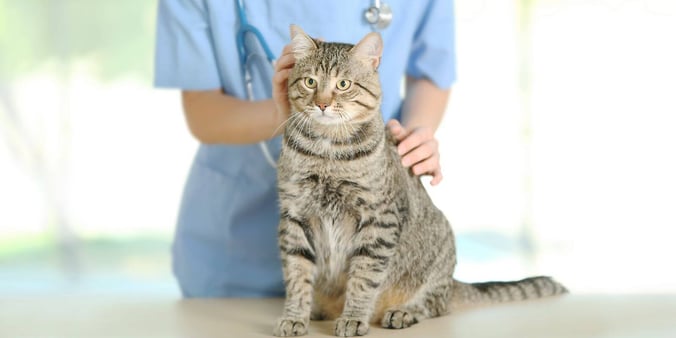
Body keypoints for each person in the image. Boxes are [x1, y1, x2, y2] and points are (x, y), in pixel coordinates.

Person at [154, 0, 456, 297]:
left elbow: (430, 73)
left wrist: (417, 131)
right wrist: (288, 113)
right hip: (236, 255)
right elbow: (202, 113)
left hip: (370, 250)